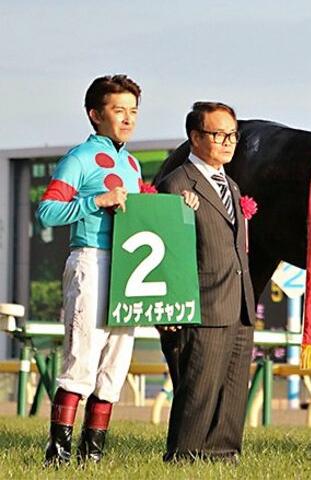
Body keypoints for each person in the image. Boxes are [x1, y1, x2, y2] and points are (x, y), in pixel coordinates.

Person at [36, 74, 144, 465]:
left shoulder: (131, 162)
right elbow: (47, 210)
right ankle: (58, 454)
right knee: (82, 356)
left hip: (129, 266)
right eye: (119, 111)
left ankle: (91, 455)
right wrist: (96, 201)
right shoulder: (79, 158)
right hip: (91, 260)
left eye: (133, 111)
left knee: (116, 362)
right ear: (95, 114)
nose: (128, 119)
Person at [156, 101, 256, 464]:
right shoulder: (177, 183)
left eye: (232, 135)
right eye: (218, 134)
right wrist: (170, 306)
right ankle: (184, 456)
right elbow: (168, 252)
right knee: (198, 387)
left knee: (232, 388)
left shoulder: (231, 183)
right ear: (195, 137)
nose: (228, 142)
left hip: (240, 301)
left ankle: (223, 453)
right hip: (202, 302)